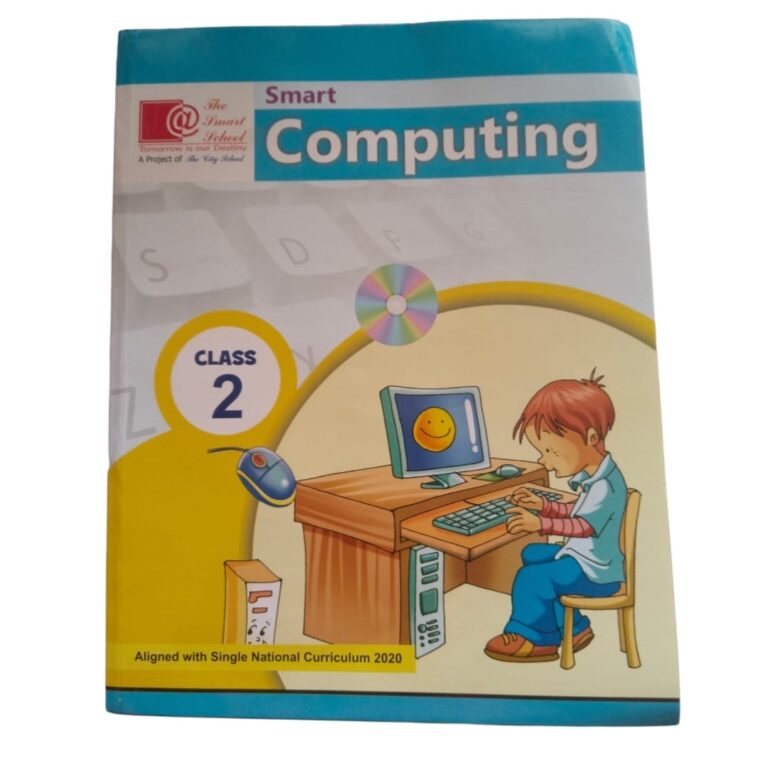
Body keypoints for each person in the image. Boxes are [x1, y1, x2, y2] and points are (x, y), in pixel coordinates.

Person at [484, 370, 627, 662]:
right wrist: (543, 505)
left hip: (597, 573)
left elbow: (583, 526)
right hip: (586, 560)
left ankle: (536, 639)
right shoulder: (594, 479)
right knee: (532, 553)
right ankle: (575, 628)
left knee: (532, 578)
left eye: (550, 450)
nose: (544, 461)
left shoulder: (605, 485)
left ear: (591, 437)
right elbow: (576, 511)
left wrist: (540, 523)